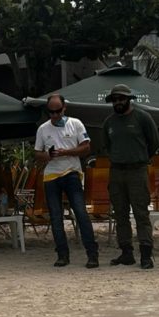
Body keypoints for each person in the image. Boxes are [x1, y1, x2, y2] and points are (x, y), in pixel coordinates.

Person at [34, 94, 99, 268]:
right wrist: (48, 155)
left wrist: (66, 152)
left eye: (57, 111)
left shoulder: (75, 123)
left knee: (80, 213)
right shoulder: (43, 129)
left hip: (72, 172)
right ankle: (62, 255)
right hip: (51, 175)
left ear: (64, 108)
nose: (54, 115)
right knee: (55, 217)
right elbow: (37, 154)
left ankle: (92, 254)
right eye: (50, 112)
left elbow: (86, 147)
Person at [102, 84, 159, 269]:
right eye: (115, 99)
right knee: (120, 214)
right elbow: (106, 146)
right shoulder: (109, 122)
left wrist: (141, 158)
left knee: (141, 212)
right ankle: (126, 252)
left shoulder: (143, 117)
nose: (118, 102)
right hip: (116, 171)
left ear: (129, 99)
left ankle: (146, 253)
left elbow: (154, 142)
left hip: (138, 170)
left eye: (122, 98)